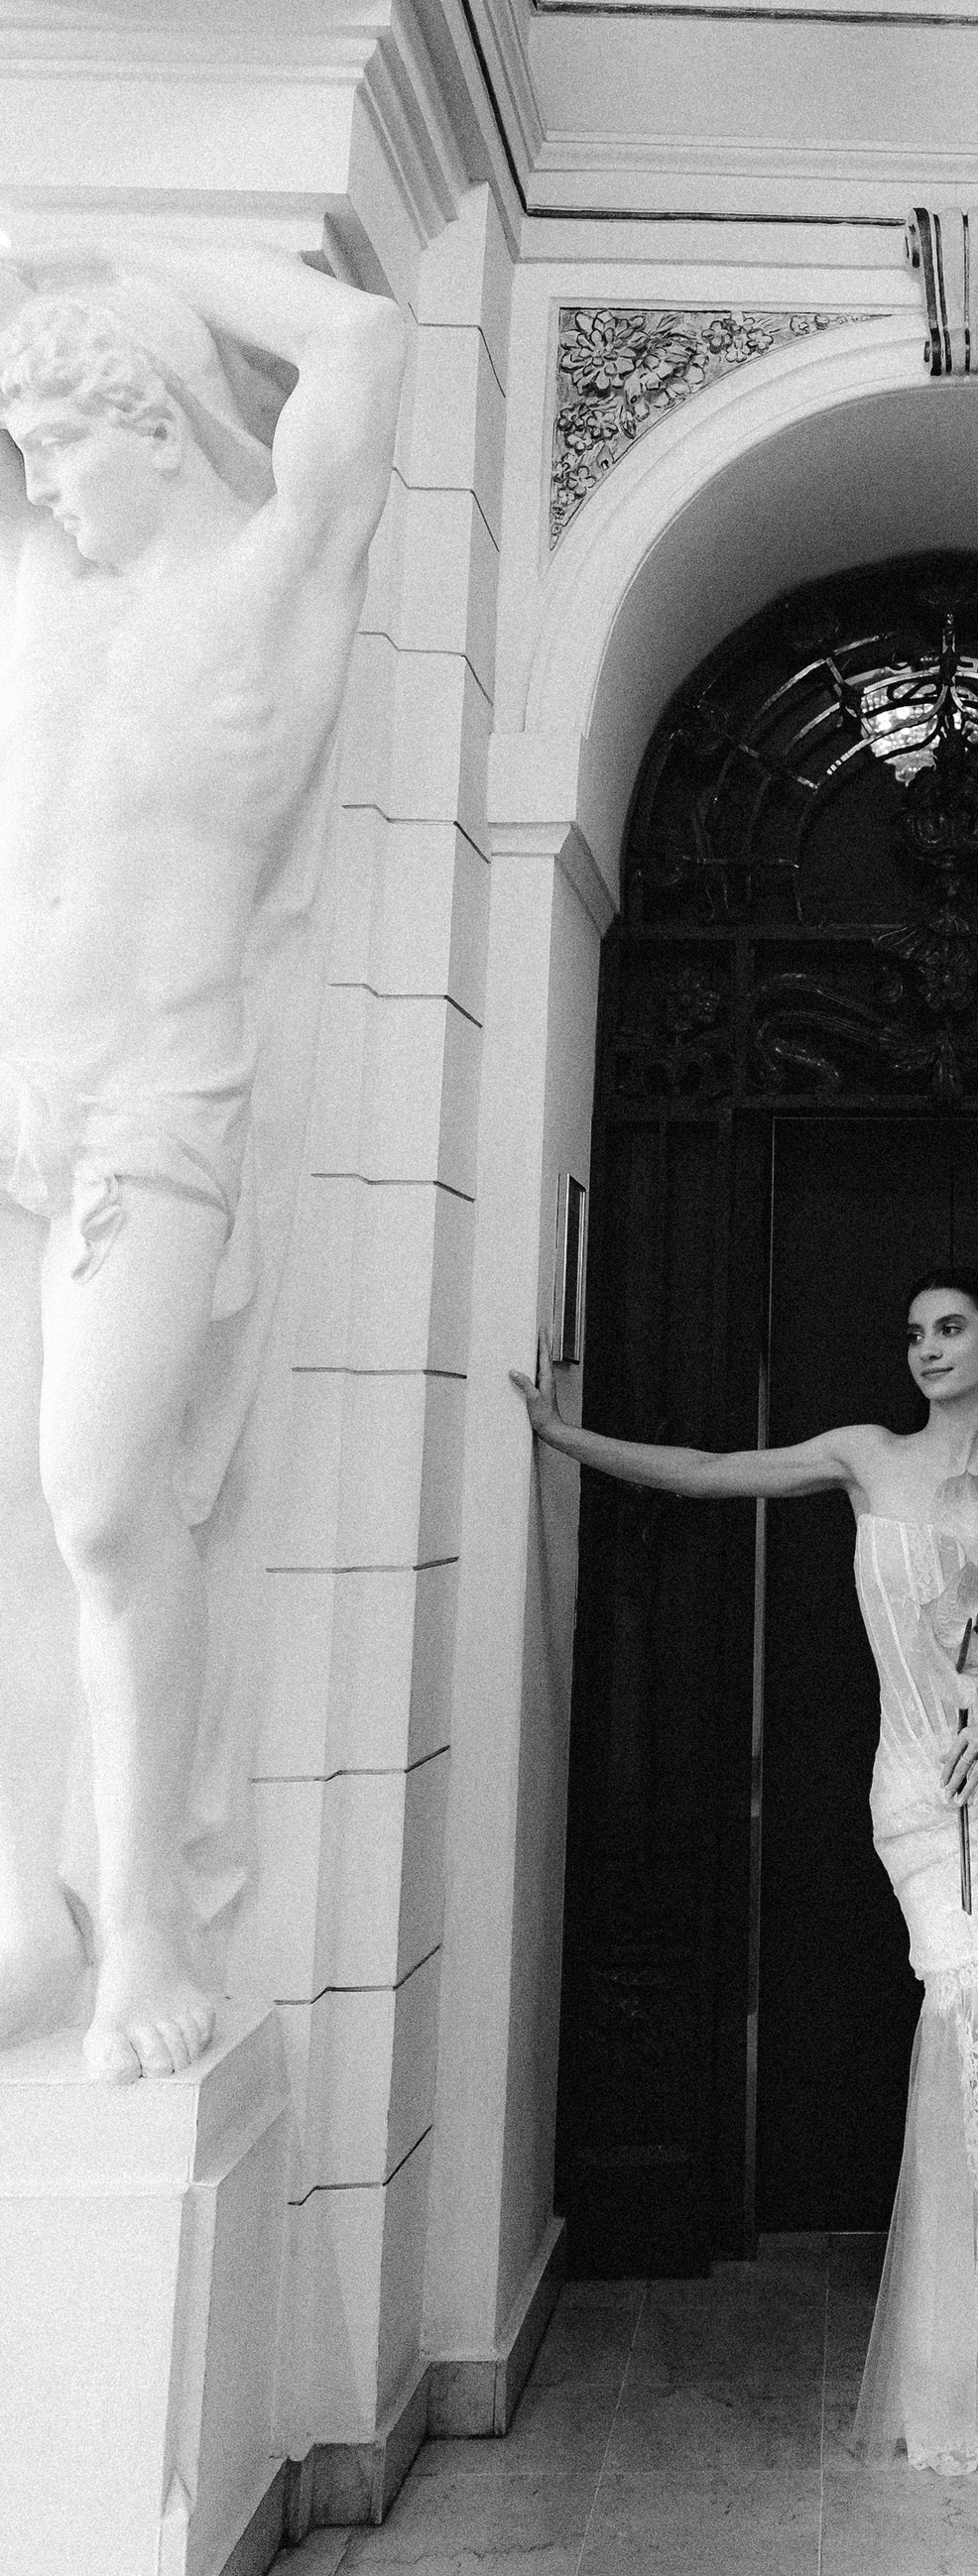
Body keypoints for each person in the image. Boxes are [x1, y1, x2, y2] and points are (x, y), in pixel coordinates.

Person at [513, 1268, 978, 2487]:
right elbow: (708, 1469)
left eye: (952, 1330)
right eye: (914, 1334)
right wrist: (561, 1436)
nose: (928, 1349)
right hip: (918, 1801)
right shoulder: (864, 1456)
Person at [0, 242, 405, 2081]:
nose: (41, 486)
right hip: (16, 1090)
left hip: (155, 1109)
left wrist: (128, 267)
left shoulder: (263, 593)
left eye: (61, 446)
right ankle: (35, 1909)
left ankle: (147, 1916)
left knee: (102, 1501)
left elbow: (363, 339)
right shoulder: (40, 587)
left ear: (155, 425)